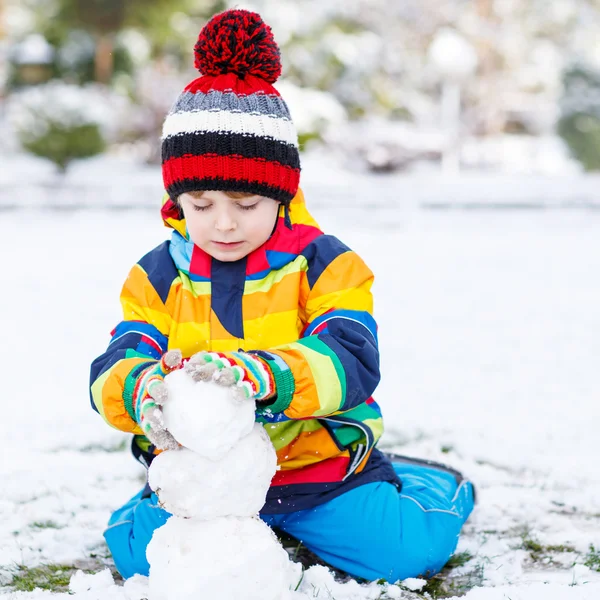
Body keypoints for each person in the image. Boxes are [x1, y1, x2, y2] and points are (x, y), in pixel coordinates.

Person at [90, 8, 475, 584]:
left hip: (317, 472)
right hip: (209, 478)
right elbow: (115, 364)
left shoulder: (324, 264)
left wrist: (259, 377)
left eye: (246, 205)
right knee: (134, 558)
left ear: (282, 192)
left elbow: (350, 360)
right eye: (201, 205)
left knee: (404, 553)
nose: (223, 224)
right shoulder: (158, 276)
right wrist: (145, 390)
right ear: (176, 200)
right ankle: (151, 504)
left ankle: (425, 483)